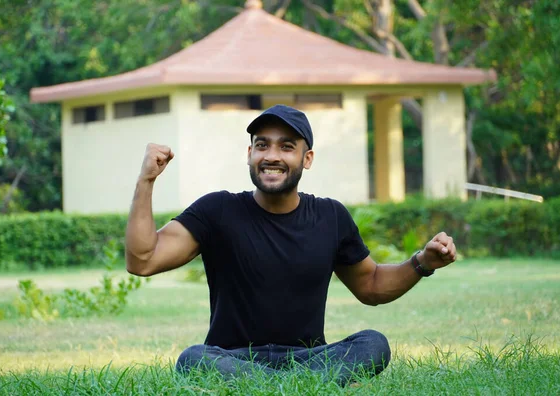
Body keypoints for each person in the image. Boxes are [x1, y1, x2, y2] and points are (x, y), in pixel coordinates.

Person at [125, 104, 457, 384]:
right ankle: (300, 387)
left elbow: (370, 285)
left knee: (373, 344)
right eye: (262, 145)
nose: (272, 156)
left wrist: (422, 262)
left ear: (307, 158)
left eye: (286, 146)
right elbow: (143, 259)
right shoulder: (217, 210)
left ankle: (280, 385)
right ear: (250, 153)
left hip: (310, 357)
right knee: (194, 358)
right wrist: (146, 180)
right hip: (232, 357)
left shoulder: (330, 216)